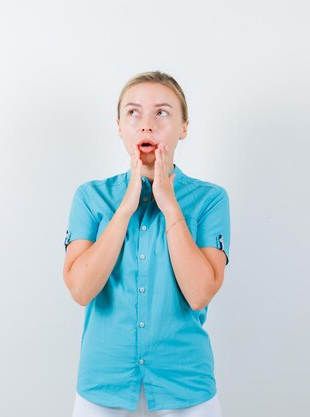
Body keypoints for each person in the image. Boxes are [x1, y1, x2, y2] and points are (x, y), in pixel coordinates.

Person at [63, 71, 230, 417]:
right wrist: (125, 207)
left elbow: (200, 292)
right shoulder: (91, 197)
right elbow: (80, 289)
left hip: (185, 386)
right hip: (103, 385)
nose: (146, 125)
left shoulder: (210, 200)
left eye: (162, 113)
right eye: (134, 113)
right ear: (120, 125)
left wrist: (169, 205)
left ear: (184, 126)